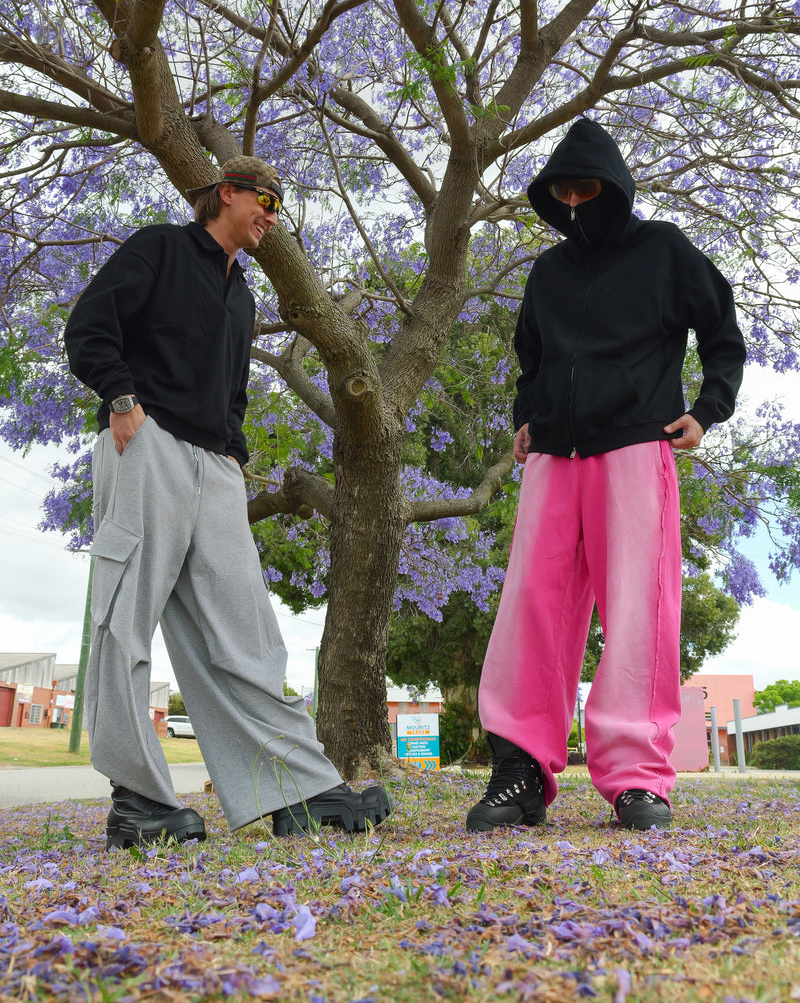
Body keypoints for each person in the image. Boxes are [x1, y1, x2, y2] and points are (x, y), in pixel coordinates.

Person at [64, 156, 393, 849]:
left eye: (279, 206)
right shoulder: (160, 247)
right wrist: (120, 397)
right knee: (126, 618)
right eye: (265, 200)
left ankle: (297, 790)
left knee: (247, 629)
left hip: (215, 467)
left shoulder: (241, 295)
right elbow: (89, 324)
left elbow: (235, 392)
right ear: (227, 193)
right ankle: (138, 799)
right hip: (147, 441)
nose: (272, 216)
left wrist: (235, 456)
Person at [466, 118, 746, 833]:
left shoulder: (664, 250)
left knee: (637, 608)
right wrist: (526, 416)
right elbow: (531, 357)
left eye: (586, 188)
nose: (574, 202)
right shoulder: (548, 272)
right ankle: (521, 770)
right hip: (552, 458)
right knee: (532, 605)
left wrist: (707, 409)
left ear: (614, 188)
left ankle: (636, 779)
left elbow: (722, 330)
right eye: (562, 191)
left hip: (633, 447)